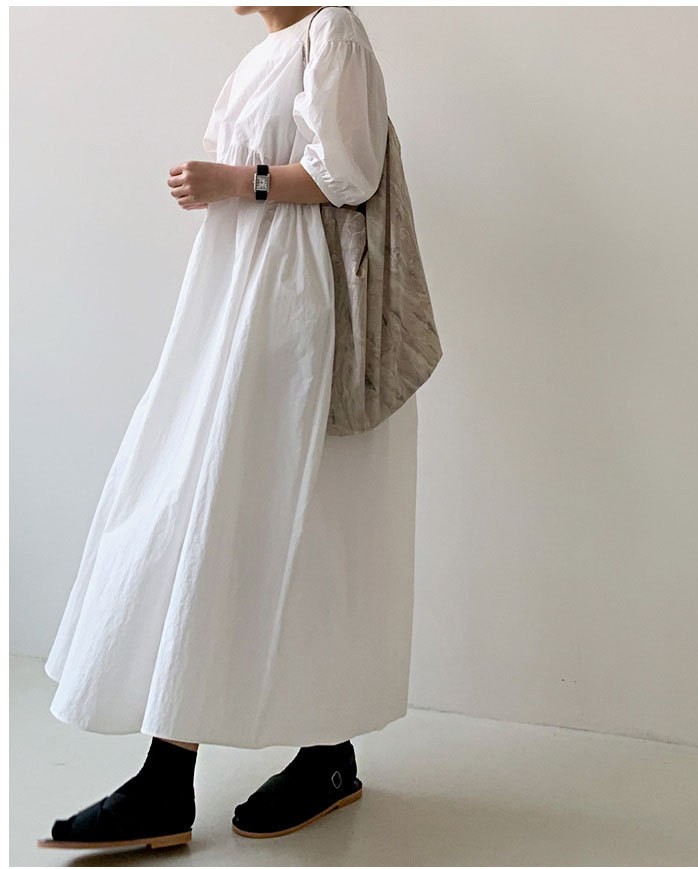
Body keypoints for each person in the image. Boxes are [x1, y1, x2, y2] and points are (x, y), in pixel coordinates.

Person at [37, 4, 420, 850]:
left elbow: (350, 172)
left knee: (268, 520)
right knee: (222, 515)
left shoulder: (332, 31)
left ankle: (224, 771)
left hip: (297, 312)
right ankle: (279, 762)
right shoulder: (265, 54)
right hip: (238, 302)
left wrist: (233, 182)